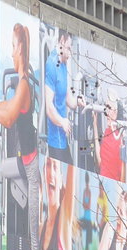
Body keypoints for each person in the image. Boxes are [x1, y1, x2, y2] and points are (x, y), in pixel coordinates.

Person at [0, 24, 40, 250]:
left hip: (30, 167)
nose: (10, 52)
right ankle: (7, 225)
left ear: (19, 48)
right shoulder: (21, 85)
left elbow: (8, 119)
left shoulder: (25, 85)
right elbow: (8, 108)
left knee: (33, 228)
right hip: (23, 162)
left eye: (12, 46)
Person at [44, 30, 85, 165]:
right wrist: (62, 122)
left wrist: (77, 101)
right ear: (61, 41)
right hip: (55, 140)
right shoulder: (51, 64)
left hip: (63, 139)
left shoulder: (63, 64)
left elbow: (68, 99)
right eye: (68, 48)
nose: (70, 52)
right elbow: (49, 107)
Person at [38, 157, 76, 250]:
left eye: (55, 167)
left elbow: (73, 165)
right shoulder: (41, 228)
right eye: (48, 165)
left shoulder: (64, 220)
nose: (51, 173)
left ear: (60, 180)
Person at [95, 91, 127, 183]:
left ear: (116, 112)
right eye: (106, 108)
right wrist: (94, 125)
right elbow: (101, 163)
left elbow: (123, 177)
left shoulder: (121, 138)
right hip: (102, 185)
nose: (107, 112)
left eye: (109, 108)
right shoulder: (107, 132)